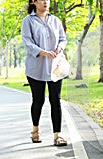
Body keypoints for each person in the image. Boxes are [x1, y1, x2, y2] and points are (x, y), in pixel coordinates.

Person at [21, 0, 67, 146]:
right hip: (36, 68)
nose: (45, 2)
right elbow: (27, 43)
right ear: (33, 2)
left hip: (55, 67)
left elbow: (63, 39)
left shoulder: (55, 20)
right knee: (38, 100)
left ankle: (57, 135)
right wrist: (43, 52)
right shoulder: (28, 21)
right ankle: (35, 130)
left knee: (55, 100)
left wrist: (60, 48)